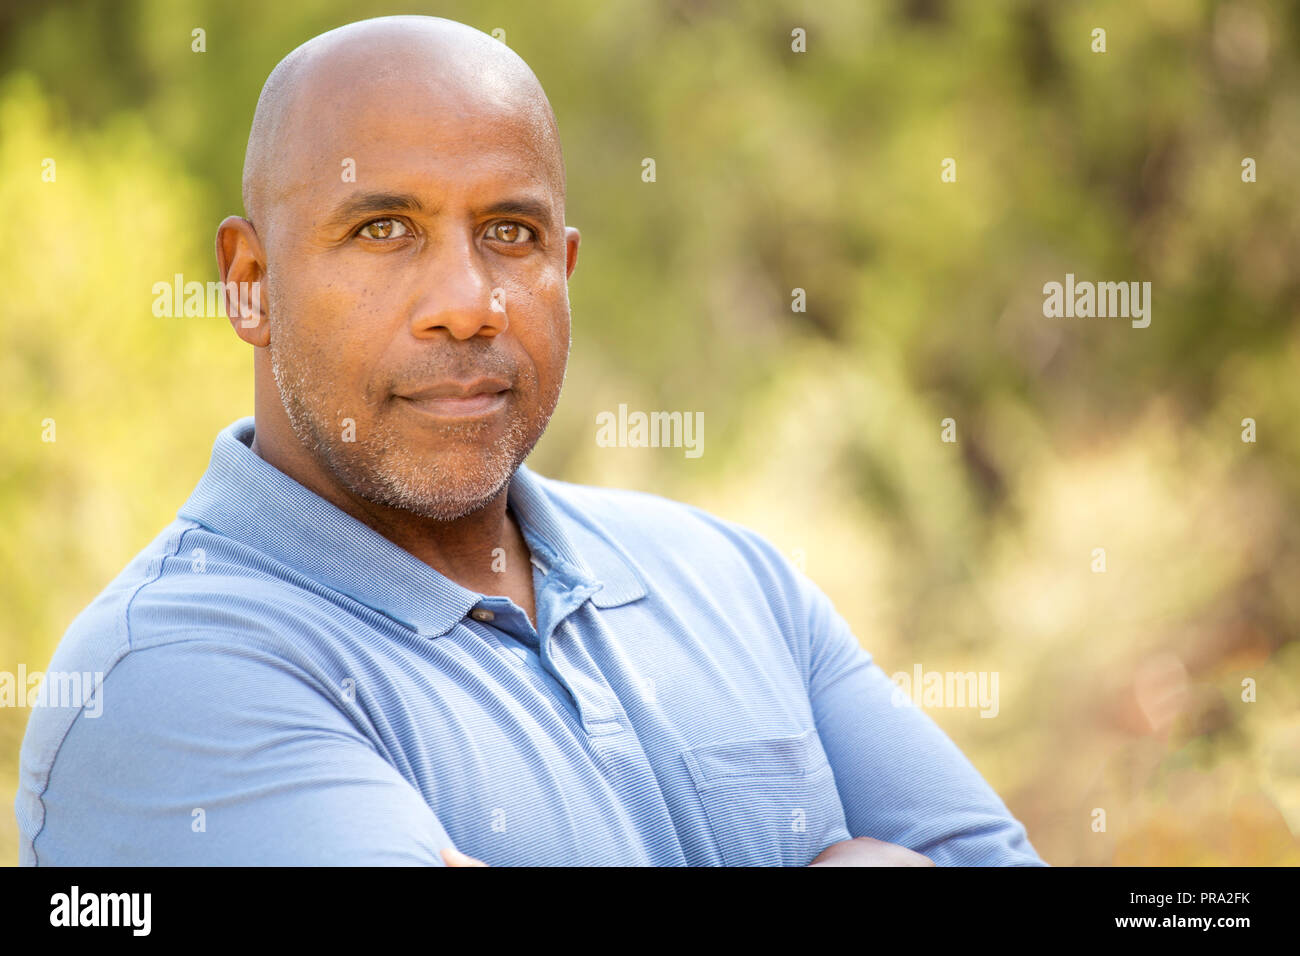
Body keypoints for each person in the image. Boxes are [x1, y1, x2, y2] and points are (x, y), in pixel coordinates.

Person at [15, 15, 1046, 866]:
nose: (467, 305)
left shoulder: (733, 579)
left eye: (509, 232)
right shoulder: (163, 678)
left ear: (565, 264)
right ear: (250, 282)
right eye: (382, 229)